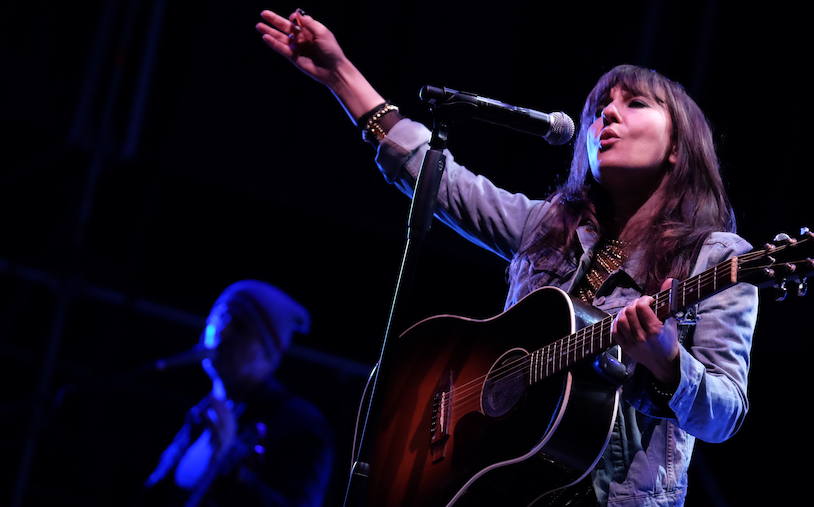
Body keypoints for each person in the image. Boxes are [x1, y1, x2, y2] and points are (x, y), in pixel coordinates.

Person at [256, 9, 757, 506]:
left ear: (678, 147)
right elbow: (439, 179)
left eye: (636, 103)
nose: (606, 114)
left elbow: (725, 416)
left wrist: (668, 361)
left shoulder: (714, 258)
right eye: (600, 106)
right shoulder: (548, 227)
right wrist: (340, 74)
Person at [141, 280, 334, 506]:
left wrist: (230, 463)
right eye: (220, 318)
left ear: (268, 353)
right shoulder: (201, 414)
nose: (223, 331)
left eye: (240, 325)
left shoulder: (300, 423)